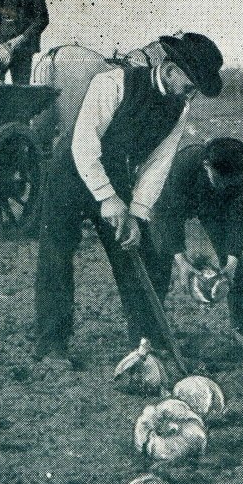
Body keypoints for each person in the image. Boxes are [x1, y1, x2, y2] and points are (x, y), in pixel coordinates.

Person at [34, 32, 224, 362]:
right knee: (57, 254)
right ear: (169, 70)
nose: (190, 94)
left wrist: (136, 212)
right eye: (190, 85)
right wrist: (108, 200)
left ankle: (148, 341)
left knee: (139, 256)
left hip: (117, 177)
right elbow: (84, 144)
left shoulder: (179, 109)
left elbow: (157, 164)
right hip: (71, 170)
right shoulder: (113, 83)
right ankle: (52, 344)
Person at [152, 138, 243, 346]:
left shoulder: (239, 176)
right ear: (207, 166)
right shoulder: (183, 164)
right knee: (159, 258)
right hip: (170, 203)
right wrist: (181, 260)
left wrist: (231, 260)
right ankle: (151, 331)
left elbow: (240, 217)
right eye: (220, 179)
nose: (225, 185)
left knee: (233, 260)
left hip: (212, 206)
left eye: (231, 181)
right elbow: (168, 214)